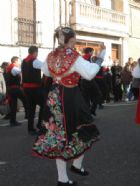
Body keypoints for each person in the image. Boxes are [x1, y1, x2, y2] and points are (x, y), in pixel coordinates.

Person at [32, 27, 105, 186]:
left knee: (58, 133)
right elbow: (90, 73)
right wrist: (100, 57)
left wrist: (57, 73)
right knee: (79, 130)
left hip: (54, 96)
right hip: (70, 97)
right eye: (74, 39)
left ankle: (72, 169)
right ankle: (65, 177)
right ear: (70, 40)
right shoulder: (73, 56)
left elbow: (46, 71)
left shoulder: (51, 55)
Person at [21, 46, 45, 135]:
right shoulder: (35, 61)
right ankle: (39, 125)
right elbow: (46, 68)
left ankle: (30, 129)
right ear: (36, 52)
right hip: (35, 89)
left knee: (31, 109)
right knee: (44, 105)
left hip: (26, 89)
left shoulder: (23, 61)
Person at [79, 47, 103, 116]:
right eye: (92, 51)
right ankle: (91, 110)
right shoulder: (87, 58)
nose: (93, 53)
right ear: (89, 52)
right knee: (97, 94)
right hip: (88, 80)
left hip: (84, 80)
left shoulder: (83, 58)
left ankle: (88, 113)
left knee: (86, 98)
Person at [6, 56, 29, 126]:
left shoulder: (10, 67)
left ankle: (12, 121)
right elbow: (21, 70)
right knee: (25, 99)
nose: (19, 63)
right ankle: (27, 114)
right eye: (19, 61)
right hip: (15, 89)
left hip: (12, 89)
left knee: (14, 106)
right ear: (15, 62)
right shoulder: (13, 68)